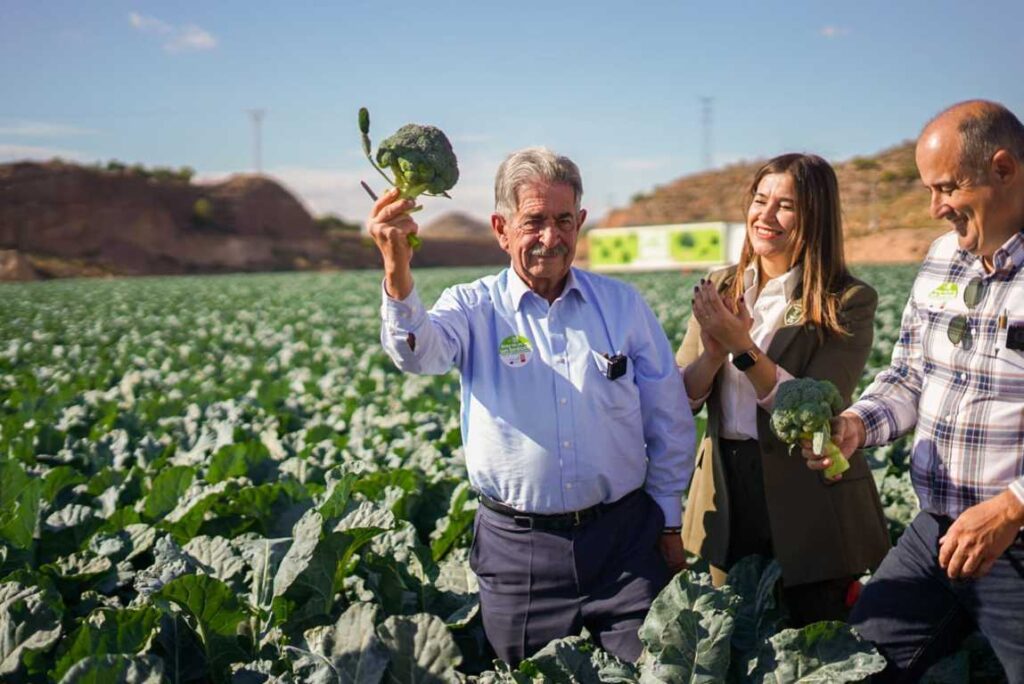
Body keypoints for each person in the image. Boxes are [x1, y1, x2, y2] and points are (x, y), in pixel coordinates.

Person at [367, 147, 696, 664]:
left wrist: (669, 521)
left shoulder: (622, 305)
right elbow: (418, 353)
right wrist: (397, 268)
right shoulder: (472, 306)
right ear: (501, 229)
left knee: (652, 670)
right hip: (518, 553)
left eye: (563, 221)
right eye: (534, 221)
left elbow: (668, 418)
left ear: (580, 222)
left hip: (624, 545)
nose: (551, 237)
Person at [801, 100, 1024, 681]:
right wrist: (856, 425)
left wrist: (1012, 506)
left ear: (1003, 169)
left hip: (1016, 539)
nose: (934, 208)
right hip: (936, 534)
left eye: (947, 188)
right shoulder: (942, 259)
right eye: (929, 190)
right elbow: (908, 377)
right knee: (853, 667)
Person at [676, 153, 890, 625]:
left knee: (812, 643)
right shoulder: (720, 285)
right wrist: (712, 355)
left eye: (785, 205)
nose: (766, 216)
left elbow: (814, 407)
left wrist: (742, 346)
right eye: (760, 200)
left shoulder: (847, 300)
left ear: (816, 216)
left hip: (811, 501)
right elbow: (681, 398)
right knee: (731, 637)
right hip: (727, 493)